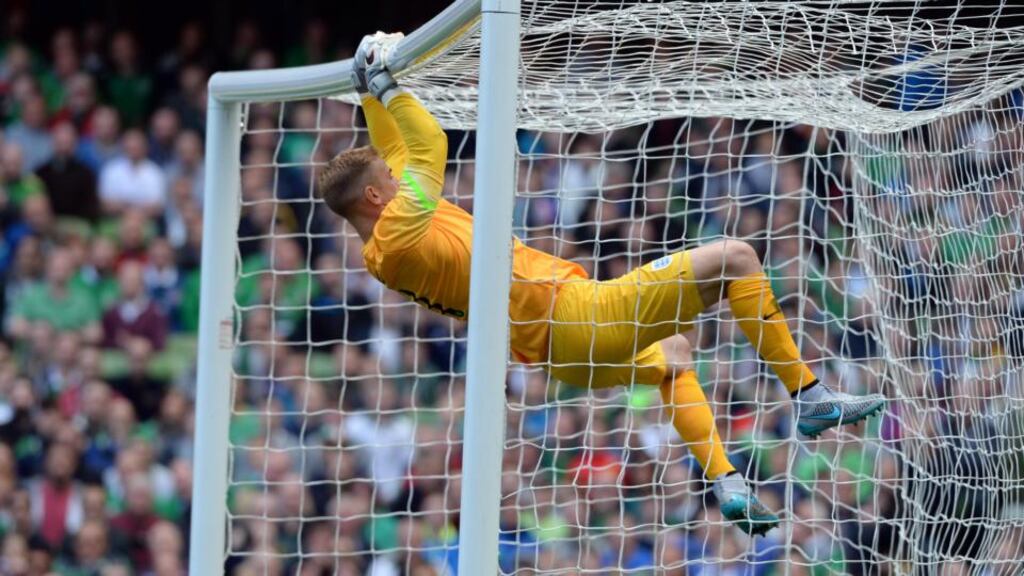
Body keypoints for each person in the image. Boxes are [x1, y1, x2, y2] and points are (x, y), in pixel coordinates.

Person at [317, 33, 886, 536]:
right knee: (738, 258)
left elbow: (393, 153)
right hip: (575, 313)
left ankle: (725, 482)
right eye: (389, 180)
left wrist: (370, 88)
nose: (399, 175)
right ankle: (810, 395)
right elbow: (427, 146)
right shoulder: (398, 226)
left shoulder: (382, 247)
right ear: (375, 198)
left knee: (676, 357)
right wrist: (390, 87)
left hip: (554, 353)